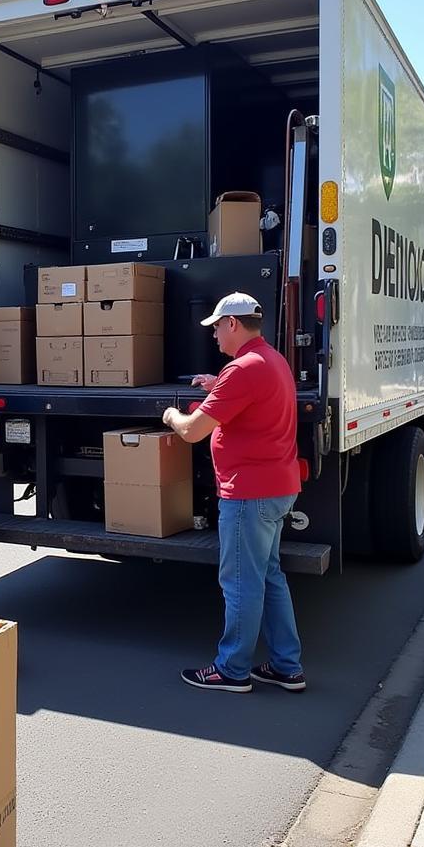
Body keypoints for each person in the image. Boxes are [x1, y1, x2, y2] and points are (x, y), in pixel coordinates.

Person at [162, 292, 305, 694]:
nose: (213, 336)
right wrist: (216, 385)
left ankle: (233, 669)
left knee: (240, 580)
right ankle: (286, 666)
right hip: (278, 488)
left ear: (233, 325)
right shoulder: (272, 361)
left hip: (248, 493)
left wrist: (171, 414)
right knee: (269, 576)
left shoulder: (242, 370)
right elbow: (249, 401)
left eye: (216, 328)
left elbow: (191, 431)